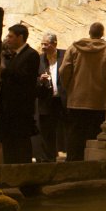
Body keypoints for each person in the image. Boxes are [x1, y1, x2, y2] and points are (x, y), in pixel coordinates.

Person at [59, 22, 106, 161]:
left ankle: (73, 162)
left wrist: (69, 87)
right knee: (94, 134)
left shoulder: (74, 48)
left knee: (75, 134)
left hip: (77, 99)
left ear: (89, 32)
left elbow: (64, 70)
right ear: (102, 33)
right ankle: (92, 163)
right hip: (99, 100)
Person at [0, 24, 40, 163]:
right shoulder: (14, 55)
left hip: (21, 108)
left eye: (11, 36)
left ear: (20, 37)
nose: (8, 39)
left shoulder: (31, 55)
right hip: (9, 108)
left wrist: (4, 69)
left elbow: (25, 78)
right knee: (9, 144)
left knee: (21, 144)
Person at [34, 32, 64, 162]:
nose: (43, 47)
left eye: (46, 44)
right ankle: (48, 158)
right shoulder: (39, 59)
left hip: (62, 99)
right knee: (46, 131)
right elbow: (32, 78)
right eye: (42, 44)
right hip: (46, 100)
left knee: (65, 128)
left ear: (55, 44)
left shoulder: (65, 55)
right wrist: (40, 79)